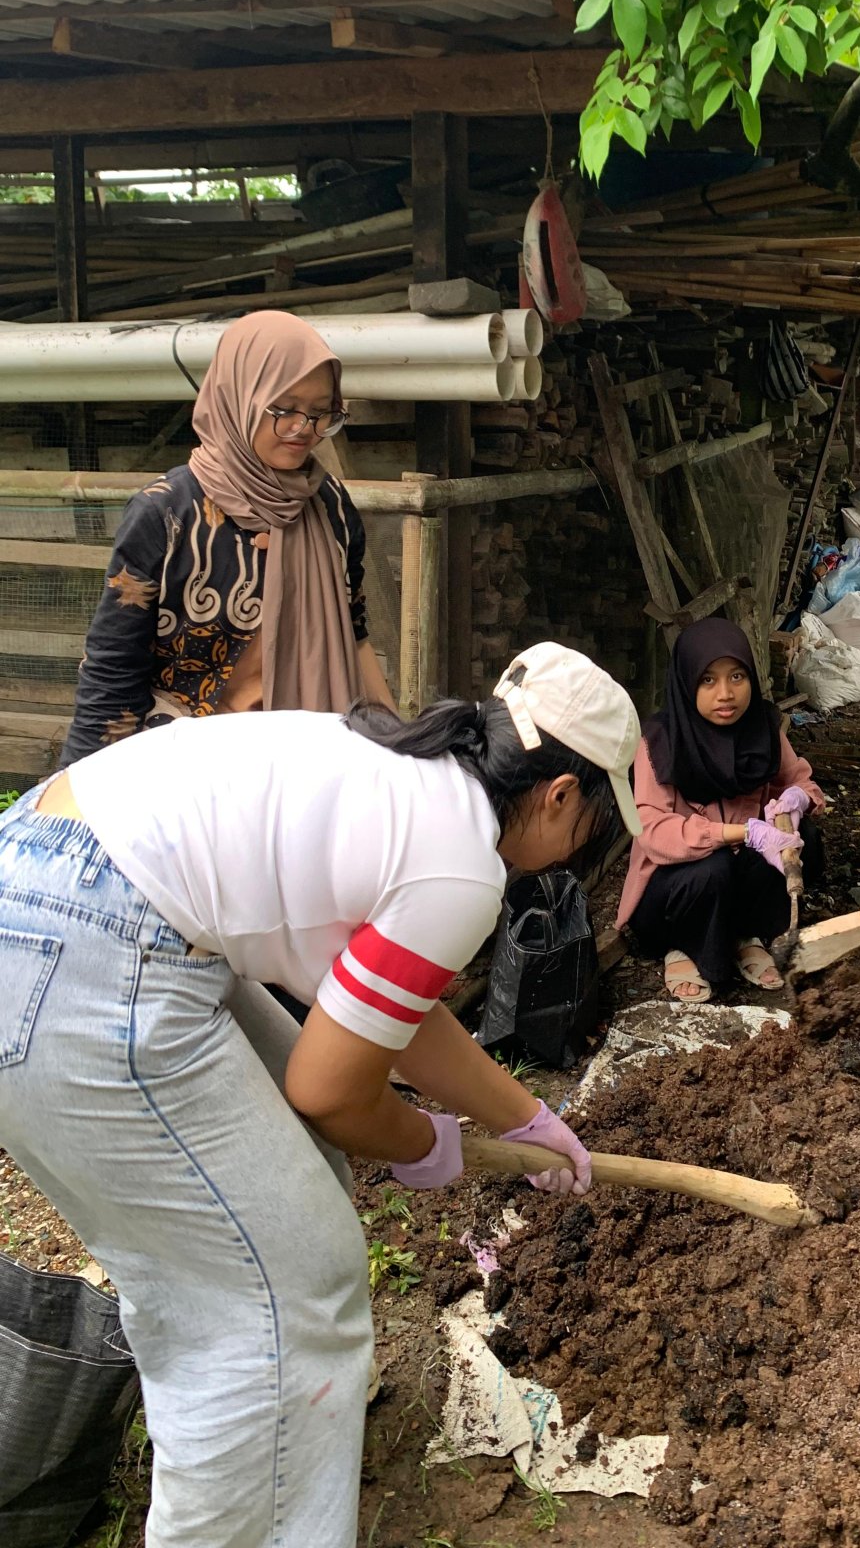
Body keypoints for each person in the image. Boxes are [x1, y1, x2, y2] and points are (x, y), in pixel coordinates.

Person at [0, 642, 641, 1548]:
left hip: (44, 881)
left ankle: (245, 1405)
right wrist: (426, 1145)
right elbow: (331, 1087)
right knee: (280, 1299)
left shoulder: (411, 776)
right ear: (563, 795)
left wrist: (523, 1117)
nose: (578, 856)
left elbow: (395, 1017)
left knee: (261, 1227)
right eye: (590, 834)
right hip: (92, 949)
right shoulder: (460, 863)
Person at [62, 308, 393, 766]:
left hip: (309, 760)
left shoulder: (329, 504)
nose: (304, 429)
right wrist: (80, 791)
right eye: (284, 409)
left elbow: (355, 636)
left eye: (322, 413)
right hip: (188, 772)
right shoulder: (167, 512)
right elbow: (113, 668)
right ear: (240, 395)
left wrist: (401, 744)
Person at [618, 618, 825, 1000]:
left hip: (735, 882)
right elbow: (652, 831)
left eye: (737, 677)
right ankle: (683, 946)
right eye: (708, 680)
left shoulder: (762, 727)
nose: (726, 694)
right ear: (686, 682)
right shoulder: (660, 741)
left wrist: (797, 799)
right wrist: (743, 832)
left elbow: (801, 782)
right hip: (673, 896)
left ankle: (745, 933)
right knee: (713, 867)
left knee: (805, 838)